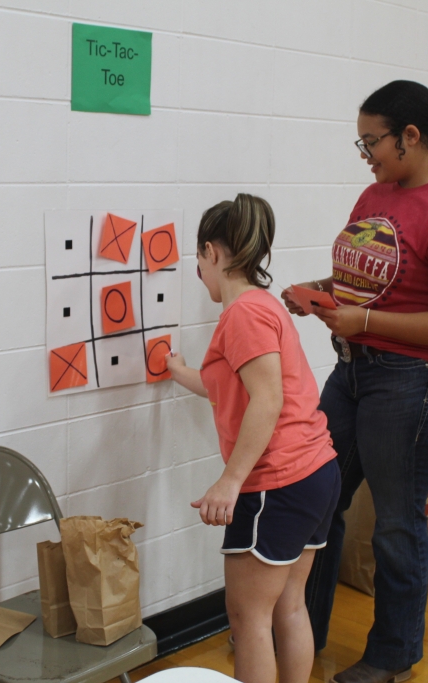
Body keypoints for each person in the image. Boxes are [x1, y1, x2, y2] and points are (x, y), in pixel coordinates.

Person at [281, 80, 428, 683]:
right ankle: (302, 630)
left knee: (398, 522)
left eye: (370, 141)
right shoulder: (379, 192)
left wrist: (365, 320)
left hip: (416, 381)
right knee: (316, 497)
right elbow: (363, 274)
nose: (366, 154)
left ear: (411, 136)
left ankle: (392, 657)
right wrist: (320, 292)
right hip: (355, 367)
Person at [166, 194, 341, 683]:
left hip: (277, 483)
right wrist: (180, 373)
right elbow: (232, 387)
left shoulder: (241, 315)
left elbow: (266, 402)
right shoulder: (262, 305)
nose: (197, 271)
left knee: (249, 620)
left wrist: (230, 481)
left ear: (211, 253)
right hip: (314, 473)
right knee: (288, 607)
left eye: (197, 260)